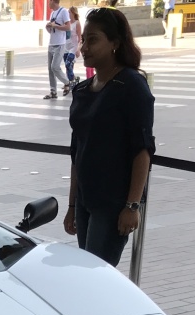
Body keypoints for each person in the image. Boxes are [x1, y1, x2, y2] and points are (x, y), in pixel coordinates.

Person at [63, 7, 153, 267]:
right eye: (84, 39)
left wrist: (132, 206)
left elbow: (142, 150)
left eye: (93, 40)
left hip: (113, 202)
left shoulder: (131, 86)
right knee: (88, 271)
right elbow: (77, 151)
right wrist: (72, 205)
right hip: (86, 199)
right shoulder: (82, 90)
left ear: (114, 43)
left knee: (96, 274)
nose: (85, 47)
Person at [44, 0, 70, 99]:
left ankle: (67, 82)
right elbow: (52, 31)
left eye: (49, 2)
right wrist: (48, 27)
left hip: (60, 44)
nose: (48, 4)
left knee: (55, 66)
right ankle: (53, 91)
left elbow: (68, 27)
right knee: (50, 69)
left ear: (53, 1)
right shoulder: (52, 13)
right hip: (51, 43)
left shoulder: (63, 11)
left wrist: (56, 26)